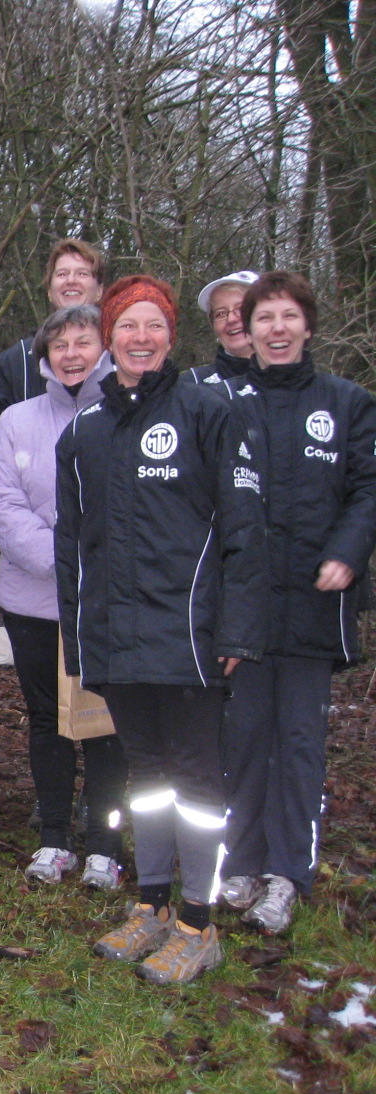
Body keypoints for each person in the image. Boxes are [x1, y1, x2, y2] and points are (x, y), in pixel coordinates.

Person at [56, 275, 265, 984]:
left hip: (190, 635)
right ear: (107, 338)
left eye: (154, 325)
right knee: (144, 776)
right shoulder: (83, 432)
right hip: (115, 638)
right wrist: (79, 639)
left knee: (197, 780)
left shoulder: (208, 412)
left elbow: (245, 532)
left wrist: (236, 631)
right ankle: (151, 904)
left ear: (172, 336)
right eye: (127, 325)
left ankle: (199, 924)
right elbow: (70, 547)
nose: (140, 338)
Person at [218, 271, 376, 935]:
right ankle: (241, 863)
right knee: (245, 737)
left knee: (299, 742)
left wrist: (348, 552)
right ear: (247, 330)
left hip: (315, 605)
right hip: (245, 610)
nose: (276, 328)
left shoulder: (347, 402)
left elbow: (368, 487)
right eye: (264, 318)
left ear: (307, 327)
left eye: (288, 316)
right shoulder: (224, 404)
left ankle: (288, 874)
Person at [0, 307, 128, 888]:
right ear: (44, 356)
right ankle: (54, 839)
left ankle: (105, 846)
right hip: (34, 600)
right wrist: (61, 562)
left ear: (103, 349)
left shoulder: (127, 415)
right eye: (59, 344)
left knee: (106, 724)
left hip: (110, 600)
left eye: (82, 342)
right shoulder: (17, 420)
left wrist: (95, 568)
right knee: (48, 719)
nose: (71, 355)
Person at [0, 238, 107, 425]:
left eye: (82, 274)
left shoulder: (119, 355)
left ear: (99, 290)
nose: (71, 280)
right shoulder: (14, 363)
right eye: (62, 274)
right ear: (49, 290)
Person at [188, 270, 259, 389]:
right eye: (220, 314)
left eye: (241, 309)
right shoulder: (191, 385)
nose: (231, 319)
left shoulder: (292, 380)